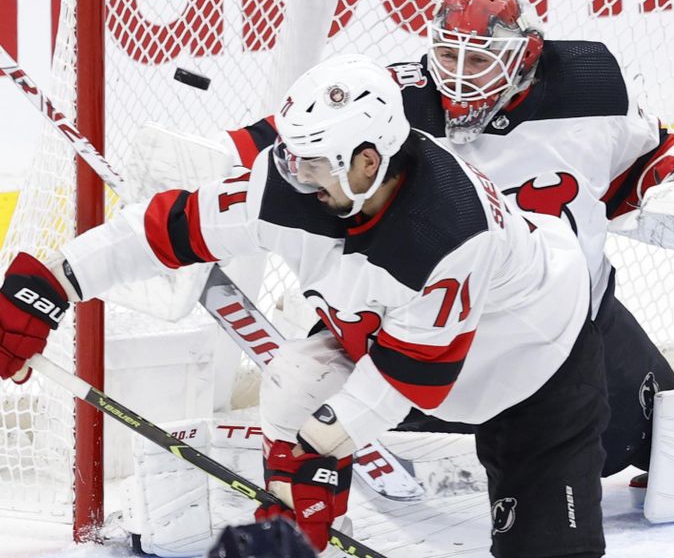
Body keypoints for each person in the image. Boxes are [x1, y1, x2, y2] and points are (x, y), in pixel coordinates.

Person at [0, 54, 609, 557]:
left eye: (312, 160)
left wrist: (312, 450)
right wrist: (51, 284)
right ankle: (297, 536)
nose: (291, 173)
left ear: (369, 161)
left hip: (539, 366)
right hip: (403, 340)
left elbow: (406, 381)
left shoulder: (449, 233)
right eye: (292, 153)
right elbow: (167, 229)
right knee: (297, 380)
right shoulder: (293, 183)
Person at [226, 0, 674, 479]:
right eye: (447, 55)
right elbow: (287, 139)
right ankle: (312, 498)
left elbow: (638, 163)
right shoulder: (391, 101)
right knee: (309, 386)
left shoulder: (589, 85)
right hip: (418, 326)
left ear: (525, 57)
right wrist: (212, 167)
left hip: (563, 322)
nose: (460, 79)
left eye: (480, 62)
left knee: (652, 439)